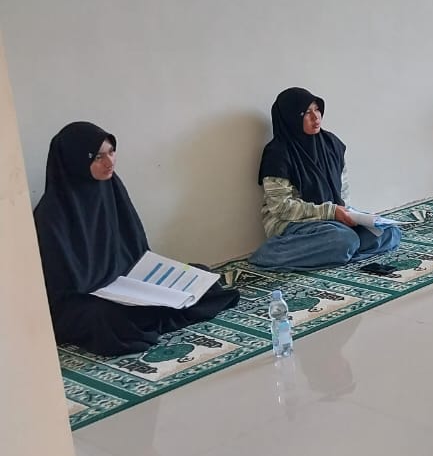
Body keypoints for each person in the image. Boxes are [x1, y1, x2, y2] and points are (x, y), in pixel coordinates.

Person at [33, 122, 240, 356]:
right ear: (75, 161)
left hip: (128, 283)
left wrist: (138, 278)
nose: (109, 162)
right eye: (98, 157)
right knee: (105, 317)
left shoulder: (111, 188)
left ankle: (148, 308)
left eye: (111, 152)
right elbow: (63, 284)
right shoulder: (52, 214)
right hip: (84, 297)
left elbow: (135, 249)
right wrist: (108, 286)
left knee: (201, 277)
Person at [249, 87, 401, 271]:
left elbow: (342, 192)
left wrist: (349, 215)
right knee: (344, 240)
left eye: (317, 109)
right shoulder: (278, 153)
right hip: (293, 224)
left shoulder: (331, 144)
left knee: (388, 232)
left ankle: (339, 255)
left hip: (333, 220)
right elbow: (281, 208)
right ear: (291, 117)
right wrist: (331, 212)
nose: (316, 117)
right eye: (306, 113)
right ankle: (270, 255)